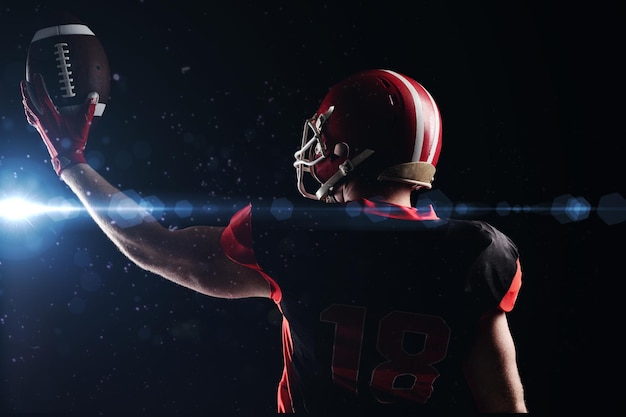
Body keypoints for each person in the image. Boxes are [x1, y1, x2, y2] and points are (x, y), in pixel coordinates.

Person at [20, 68, 528, 414]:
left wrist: (72, 163)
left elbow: (155, 246)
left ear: (347, 151)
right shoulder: (475, 255)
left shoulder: (303, 240)